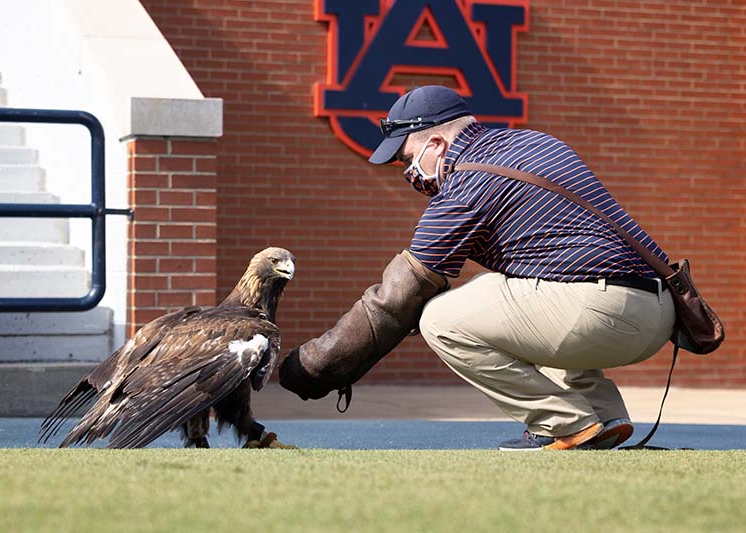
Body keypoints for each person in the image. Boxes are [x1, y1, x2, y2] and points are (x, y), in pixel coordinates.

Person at [279, 85, 675, 450]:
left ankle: (564, 423)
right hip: (658, 313)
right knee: (507, 289)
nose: (408, 172)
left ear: (435, 143)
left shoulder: (466, 183)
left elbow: (395, 300)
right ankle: (603, 414)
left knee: (439, 318)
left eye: (408, 158)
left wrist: (313, 367)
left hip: (600, 314)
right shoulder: (531, 142)